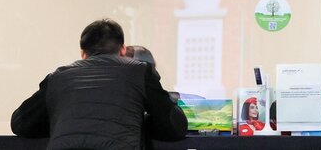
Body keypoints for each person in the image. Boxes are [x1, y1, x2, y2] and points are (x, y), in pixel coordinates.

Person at [11, 19, 188, 150]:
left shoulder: (58, 77)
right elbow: (175, 126)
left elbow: (20, 123)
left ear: (82, 53)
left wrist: (60, 122)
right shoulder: (140, 71)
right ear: (123, 50)